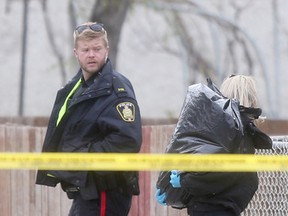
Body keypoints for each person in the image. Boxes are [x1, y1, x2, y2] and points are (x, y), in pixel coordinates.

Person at [36, 22, 142, 216]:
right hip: (86, 191)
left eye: (97, 49)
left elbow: (128, 140)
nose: (91, 54)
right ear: (76, 52)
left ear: (106, 50)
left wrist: (84, 160)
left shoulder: (116, 89)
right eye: (85, 49)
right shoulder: (76, 88)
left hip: (105, 191)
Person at [155, 75, 272, 216]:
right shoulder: (237, 132)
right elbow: (222, 173)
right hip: (217, 208)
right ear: (251, 98)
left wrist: (179, 184)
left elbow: (210, 169)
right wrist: (183, 183)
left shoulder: (217, 128)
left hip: (208, 207)